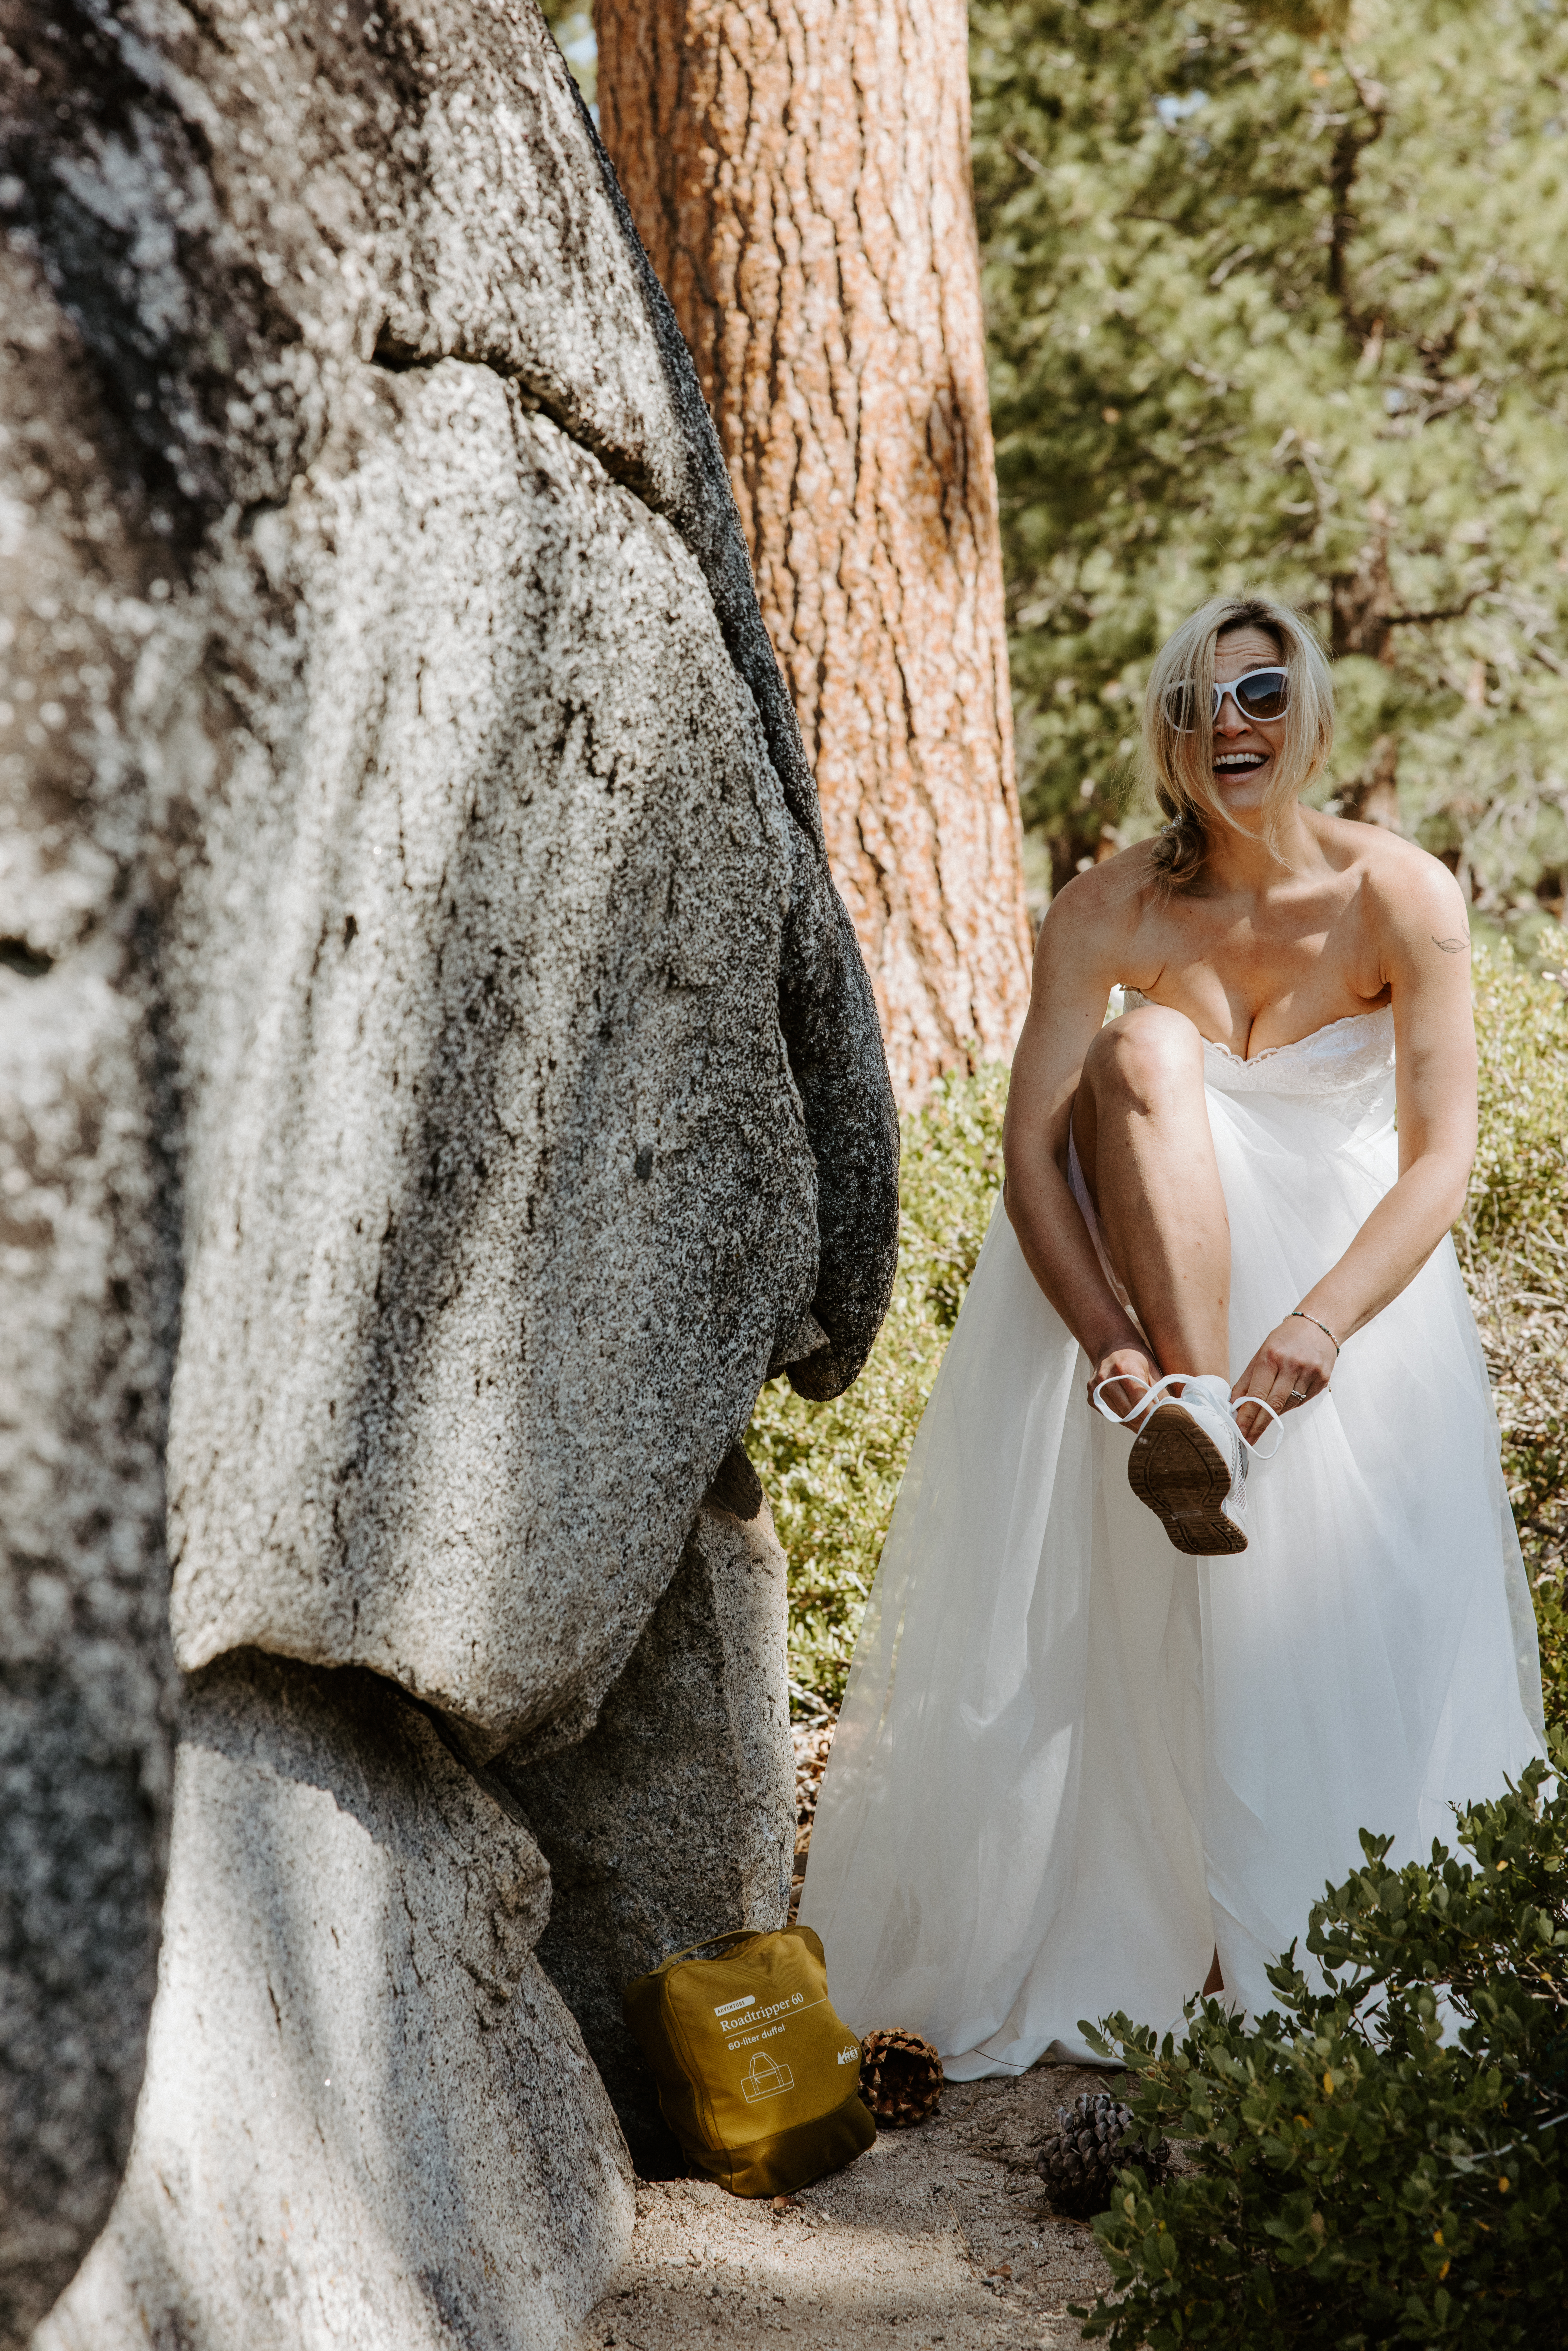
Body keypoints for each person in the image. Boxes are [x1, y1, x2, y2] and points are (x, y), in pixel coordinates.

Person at [798, 592, 1545, 2074]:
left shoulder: (1400, 896)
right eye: (1199, 705)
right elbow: (1029, 1158)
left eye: (1260, 694)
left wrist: (1321, 1326)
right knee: (1140, 1047)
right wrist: (1113, 1352)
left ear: (1309, 711)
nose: (1232, 727)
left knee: (1325, 1642)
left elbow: (1440, 1163)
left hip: (1344, 1279)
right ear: (1167, 737)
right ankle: (1196, 1432)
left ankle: (1291, 1939)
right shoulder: (1106, 909)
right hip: (1158, 1293)